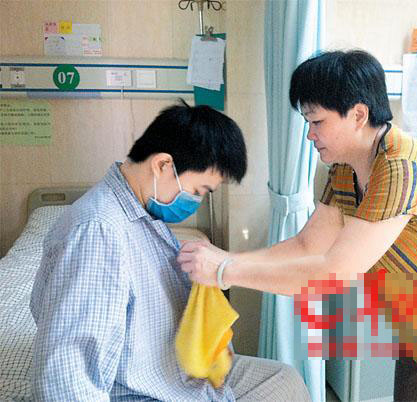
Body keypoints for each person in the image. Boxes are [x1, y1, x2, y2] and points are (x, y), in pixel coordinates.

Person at [178, 51, 417, 401]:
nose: (310, 135)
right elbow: (307, 245)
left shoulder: (401, 169)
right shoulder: (344, 170)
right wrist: (227, 259)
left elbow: (332, 274)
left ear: (358, 115)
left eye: (317, 122)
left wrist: (225, 271)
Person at [30, 102, 310, 401]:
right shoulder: (99, 231)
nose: (195, 202)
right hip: (143, 388)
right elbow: (67, 373)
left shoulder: (141, 211)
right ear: (163, 164)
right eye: (198, 191)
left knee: (284, 380)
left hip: (171, 366)